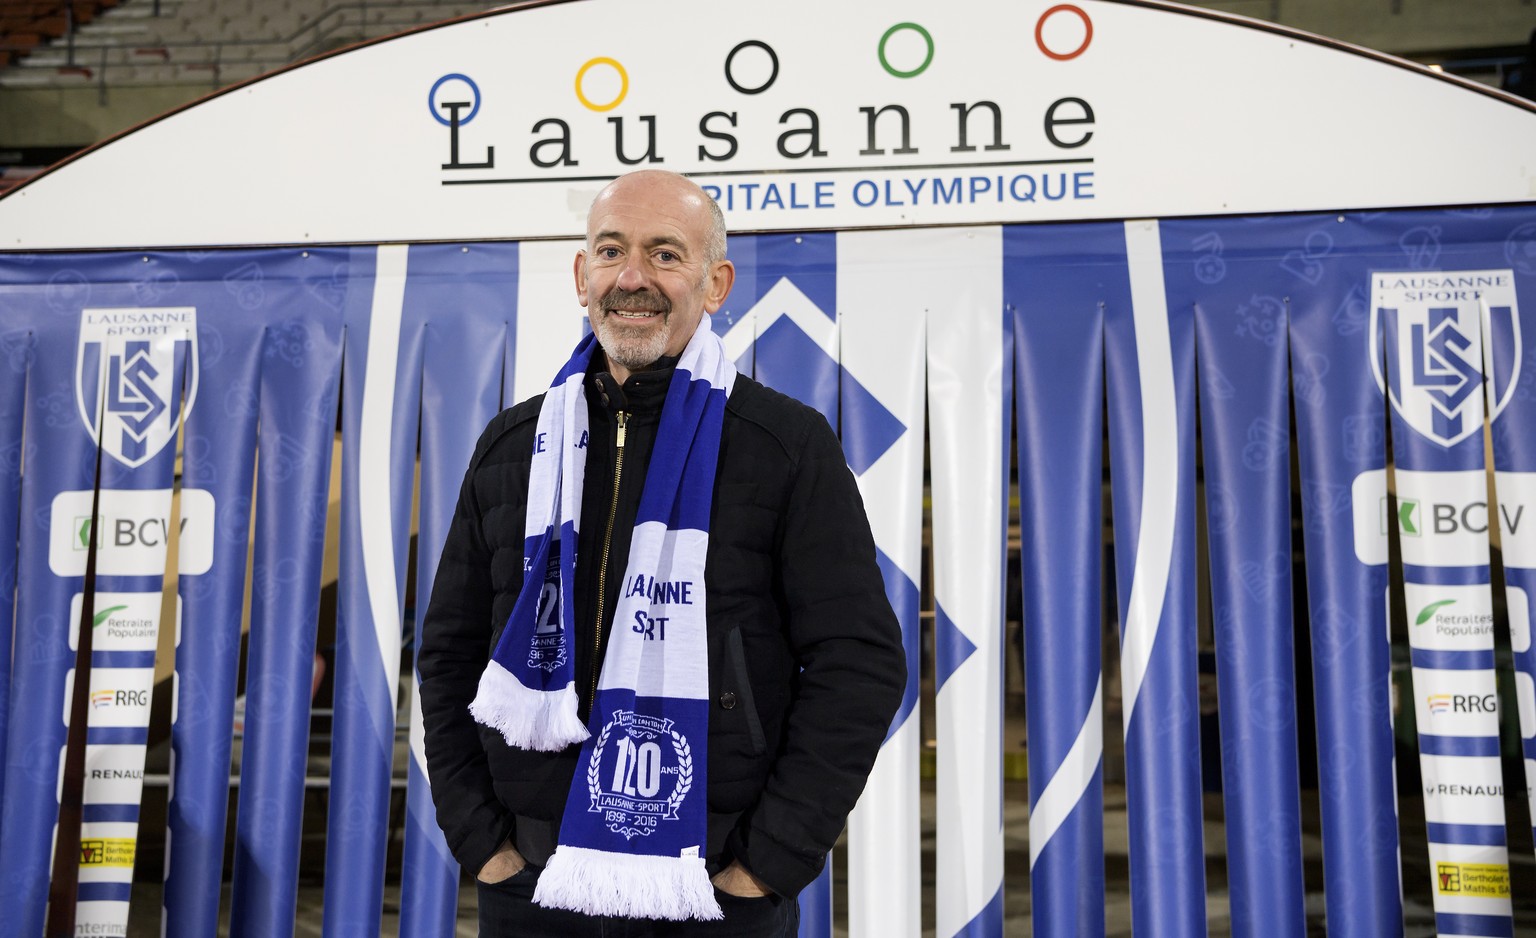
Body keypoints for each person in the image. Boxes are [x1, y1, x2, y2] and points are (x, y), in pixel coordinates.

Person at [418, 169, 905, 936]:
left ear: (716, 284)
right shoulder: (514, 447)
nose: (633, 278)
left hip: (713, 883)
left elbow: (860, 663)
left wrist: (767, 864)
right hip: (536, 884)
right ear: (583, 276)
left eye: (665, 254)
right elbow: (448, 654)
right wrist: (485, 846)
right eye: (611, 251)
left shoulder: (783, 446)